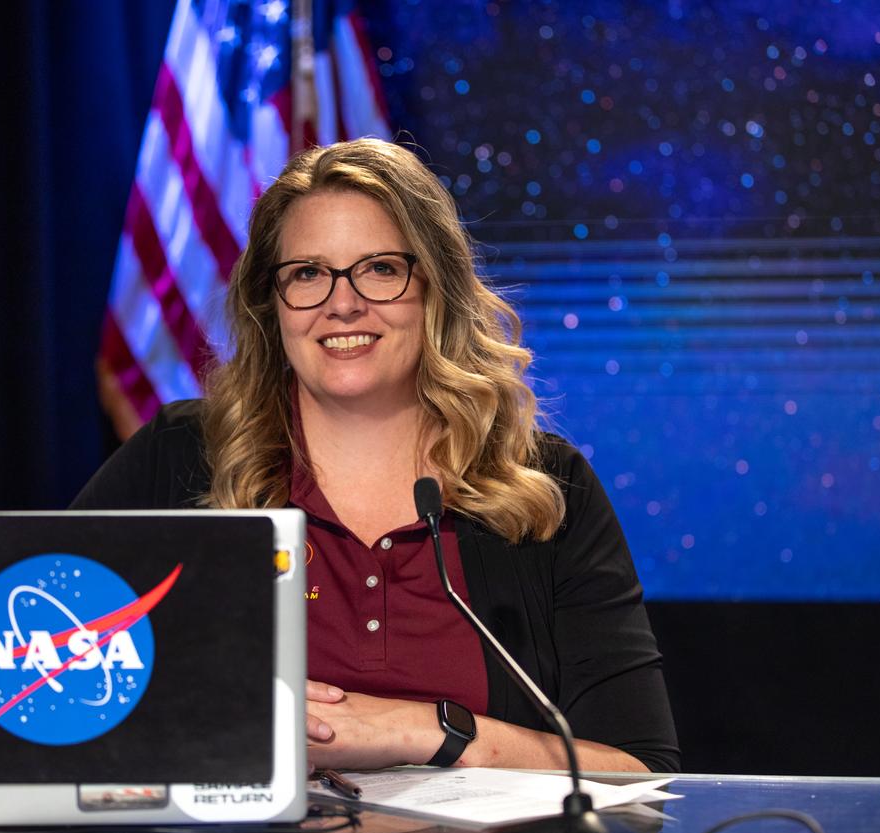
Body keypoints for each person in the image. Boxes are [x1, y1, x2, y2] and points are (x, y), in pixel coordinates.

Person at [72, 138, 680, 774]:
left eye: (380, 269)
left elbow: (638, 768)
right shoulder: (181, 457)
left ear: (436, 289)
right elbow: (37, 669)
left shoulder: (543, 487)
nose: (342, 303)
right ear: (270, 304)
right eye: (307, 273)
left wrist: (424, 729)